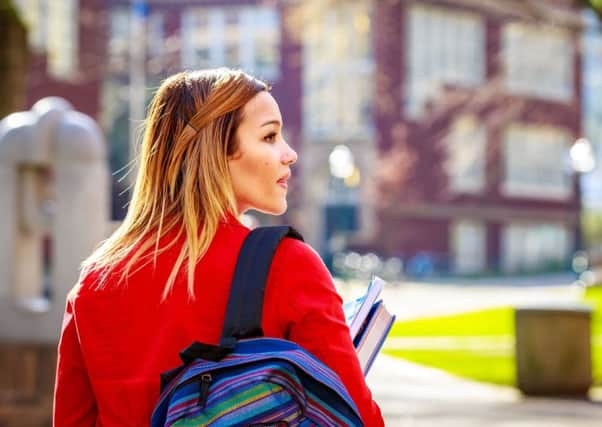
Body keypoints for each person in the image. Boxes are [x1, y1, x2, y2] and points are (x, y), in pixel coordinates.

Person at [53, 68, 385, 426]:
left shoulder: (95, 281)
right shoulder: (287, 265)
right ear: (217, 151)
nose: (289, 154)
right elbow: (357, 417)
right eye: (270, 136)